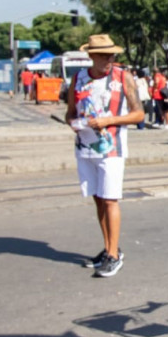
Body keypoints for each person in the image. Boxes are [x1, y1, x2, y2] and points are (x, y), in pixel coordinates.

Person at [63, 34, 144, 278]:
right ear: (91, 56)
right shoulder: (78, 79)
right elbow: (69, 112)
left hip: (112, 149)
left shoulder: (123, 77)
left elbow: (139, 114)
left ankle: (114, 256)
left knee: (110, 199)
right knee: (98, 199)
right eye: (104, 55)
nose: (109, 59)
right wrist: (74, 123)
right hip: (86, 147)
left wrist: (110, 120)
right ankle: (110, 247)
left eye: (112, 55)